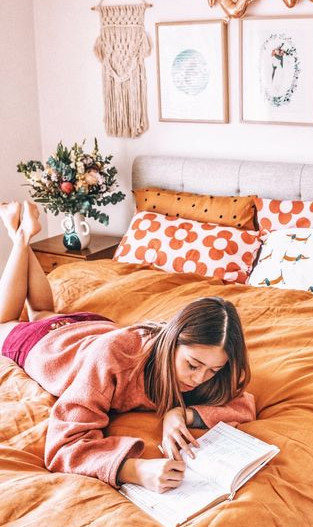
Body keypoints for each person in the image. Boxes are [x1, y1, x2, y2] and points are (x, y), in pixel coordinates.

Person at [0, 200, 255, 493]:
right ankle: (20, 234)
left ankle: (22, 233)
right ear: (172, 342)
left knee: (43, 311)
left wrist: (180, 414)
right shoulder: (113, 360)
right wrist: (134, 469)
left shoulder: (210, 359)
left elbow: (243, 402)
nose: (199, 379)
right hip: (52, 346)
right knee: (8, 321)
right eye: (192, 365)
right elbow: (63, 445)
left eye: (213, 370)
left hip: (95, 326)